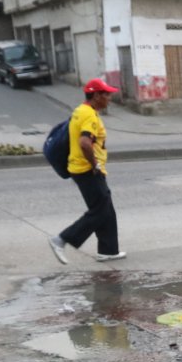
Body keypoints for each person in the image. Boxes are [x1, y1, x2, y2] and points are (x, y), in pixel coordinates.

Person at [48, 78, 124, 264]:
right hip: (87, 170)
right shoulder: (89, 115)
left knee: (106, 209)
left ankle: (109, 250)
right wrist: (95, 165)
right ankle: (61, 239)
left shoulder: (81, 110)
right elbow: (84, 142)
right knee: (100, 210)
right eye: (106, 95)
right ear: (96, 96)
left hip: (80, 168)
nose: (109, 99)